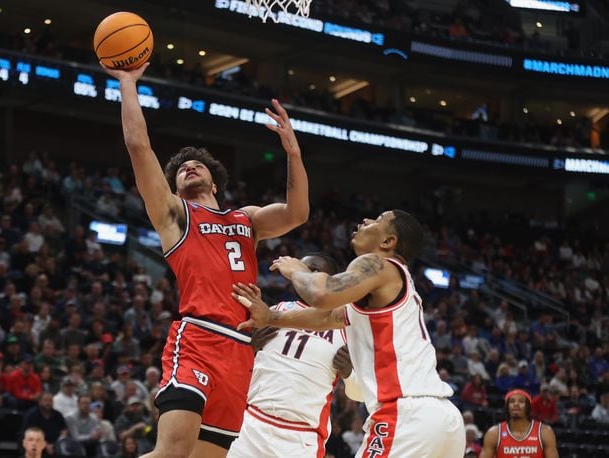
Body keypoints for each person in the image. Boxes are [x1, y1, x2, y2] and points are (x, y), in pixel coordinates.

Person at [101, 61, 310, 458]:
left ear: (214, 182)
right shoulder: (174, 215)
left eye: (195, 165)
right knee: (171, 452)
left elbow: (297, 213)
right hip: (197, 336)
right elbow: (138, 146)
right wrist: (128, 83)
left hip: (241, 350)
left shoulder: (245, 220)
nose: (188, 168)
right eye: (180, 170)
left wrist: (293, 152)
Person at [237, 210, 465, 457]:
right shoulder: (389, 288)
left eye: (377, 220)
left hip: (406, 414)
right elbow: (329, 316)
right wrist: (272, 318)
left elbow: (322, 295)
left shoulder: (378, 263)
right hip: (443, 419)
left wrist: (296, 271)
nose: (365, 221)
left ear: (388, 242)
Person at [228, 253, 362, 458]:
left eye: (314, 271)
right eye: (301, 269)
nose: (304, 275)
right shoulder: (271, 312)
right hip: (251, 425)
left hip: (301, 439)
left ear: (332, 281)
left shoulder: (346, 328)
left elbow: (360, 394)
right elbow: (232, 369)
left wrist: (349, 373)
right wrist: (249, 349)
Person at [480, 389, 558, 457]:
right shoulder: (494, 433)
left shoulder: (545, 432)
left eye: (521, 401)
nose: (516, 404)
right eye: (512, 401)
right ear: (507, 407)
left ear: (528, 406)